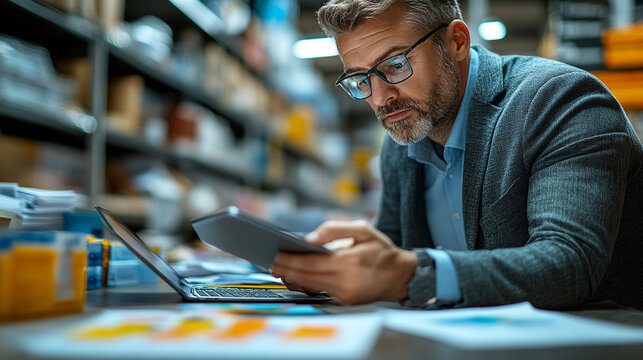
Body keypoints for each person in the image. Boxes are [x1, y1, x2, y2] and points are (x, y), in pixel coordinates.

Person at [270, 0, 643, 310]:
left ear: (457, 41)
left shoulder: (561, 101)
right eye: (360, 79)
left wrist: (409, 274)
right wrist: (338, 271)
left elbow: (570, 264)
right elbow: (393, 255)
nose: (380, 97)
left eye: (395, 65)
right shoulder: (403, 141)